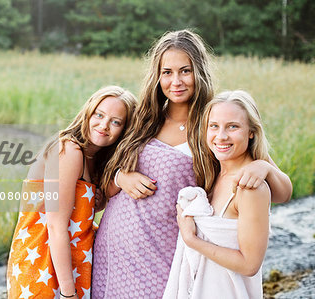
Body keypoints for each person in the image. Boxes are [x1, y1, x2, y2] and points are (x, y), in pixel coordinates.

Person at [92, 30, 292, 298]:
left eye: (185, 71)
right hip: (113, 254)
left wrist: (264, 167)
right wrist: (120, 178)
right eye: (167, 72)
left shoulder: (215, 122)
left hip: (164, 256)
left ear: (199, 72)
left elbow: (284, 193)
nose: (176, 81)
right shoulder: (144, 118)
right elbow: (104, 188)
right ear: (157, 75)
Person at [6, 86, 137, 299]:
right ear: (88, 112)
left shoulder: (96, 160)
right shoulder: (68, 150)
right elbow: (56, 226)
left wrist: (120, 177)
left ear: (125, 129)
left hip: (72, 264)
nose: (104, 125)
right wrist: (68, 293)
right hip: (42, 263)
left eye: (116, 121)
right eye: (99, 114)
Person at [163, 90, 272, 299]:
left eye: (233, 126)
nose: (221, 136)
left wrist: (191, 239)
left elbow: (249, 264)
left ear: (251, 131)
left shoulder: (250, 188)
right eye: (214, 126)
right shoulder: (214, 175)